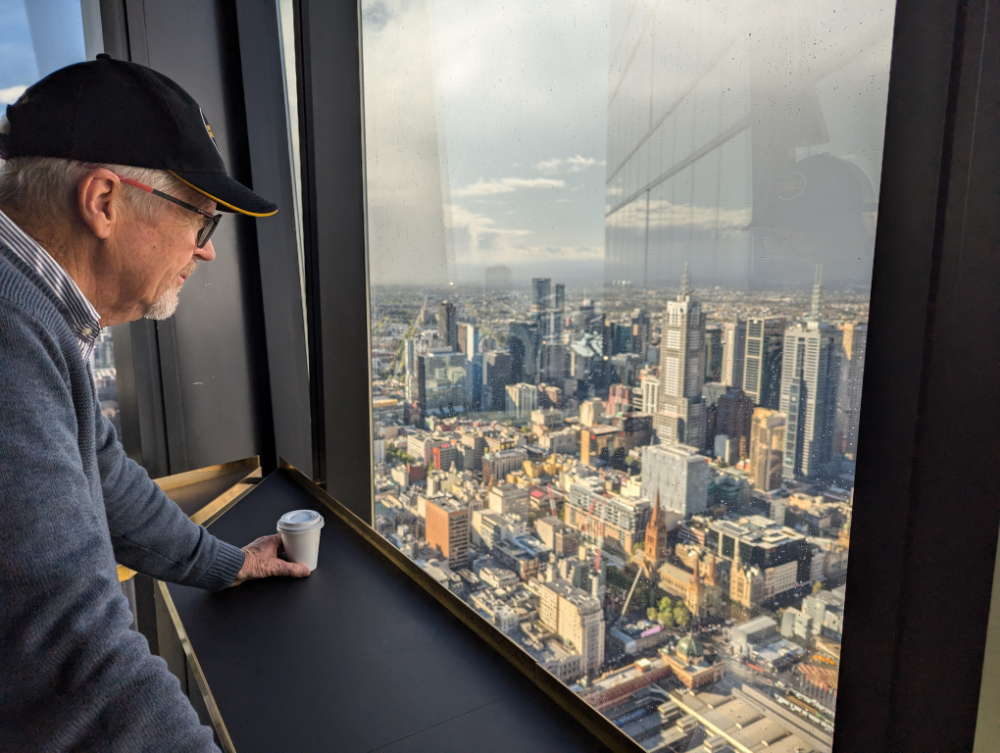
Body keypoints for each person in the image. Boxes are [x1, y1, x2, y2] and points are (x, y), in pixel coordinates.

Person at [0, 56, 308, 751]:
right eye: (203, 219)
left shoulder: (33, 312)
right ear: (105, 201)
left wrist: (226, 563)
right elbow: (72, 659)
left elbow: (101, 476)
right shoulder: (8, 336)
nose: (207, 253)